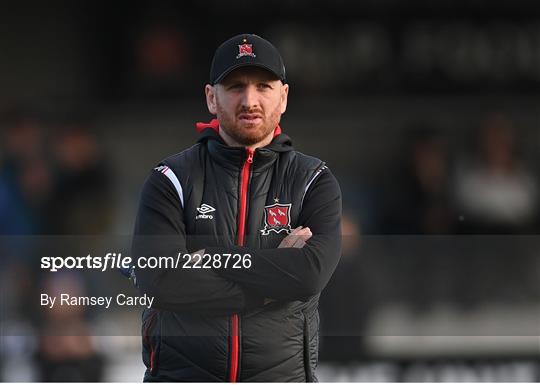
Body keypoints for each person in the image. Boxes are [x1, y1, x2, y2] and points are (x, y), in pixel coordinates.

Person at [132, 34, 342, 382]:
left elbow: (309, 273)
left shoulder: (313, 179)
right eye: (235, 87)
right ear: (211, 98)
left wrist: (215, 256)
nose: (250, 100)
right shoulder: (170, 179)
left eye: (263, 86)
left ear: (284, 96)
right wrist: (272, 280)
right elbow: (161, 279)